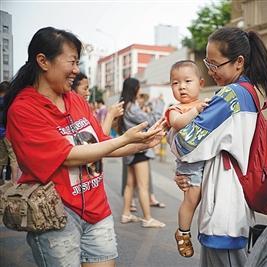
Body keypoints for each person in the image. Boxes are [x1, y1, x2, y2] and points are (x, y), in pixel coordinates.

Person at [4, 26, 164, 267]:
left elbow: (100, 145)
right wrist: (125, 139)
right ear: (43, 61)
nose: (76, 70)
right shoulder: (24, 109)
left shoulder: (76, 100)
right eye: (72, 62)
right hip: (57, 216)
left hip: (97, 210)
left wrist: (141, 143)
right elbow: (68, 156)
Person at [173, 26, 267, 266]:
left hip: (224, 213)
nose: (210, 70)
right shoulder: (249, 92)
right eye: (208, 62)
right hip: (232, 205)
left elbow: (184, 144)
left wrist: (173, 130)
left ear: (239, 62)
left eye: (215, 64)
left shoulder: (230, 97)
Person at [165, 60, 208, 257]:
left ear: (201, 83)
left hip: (206, 161)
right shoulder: (175, 109)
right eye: (175, 82)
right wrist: (195, 110)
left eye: (187, 81)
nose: (181, 86)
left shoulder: (207, 104)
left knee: (203, 199)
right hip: (189, 165)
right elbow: (178, 123)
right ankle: (183, 232)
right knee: (192, 199)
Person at [118, 77, 166, 227]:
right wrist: (159, 104)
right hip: (138, 151)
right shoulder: (132, 107)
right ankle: (147, 218)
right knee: (143, 186)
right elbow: (151, 120)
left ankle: (126, 214)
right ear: (134, 89)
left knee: (130, 184)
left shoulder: (125, 106)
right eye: (138, 87)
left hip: (130, 151)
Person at [0, 81, 18, 184]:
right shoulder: (10, 102)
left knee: (1, 160)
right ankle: (14, 183)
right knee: (13, 159)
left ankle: (0, 182)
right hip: (8, 133)